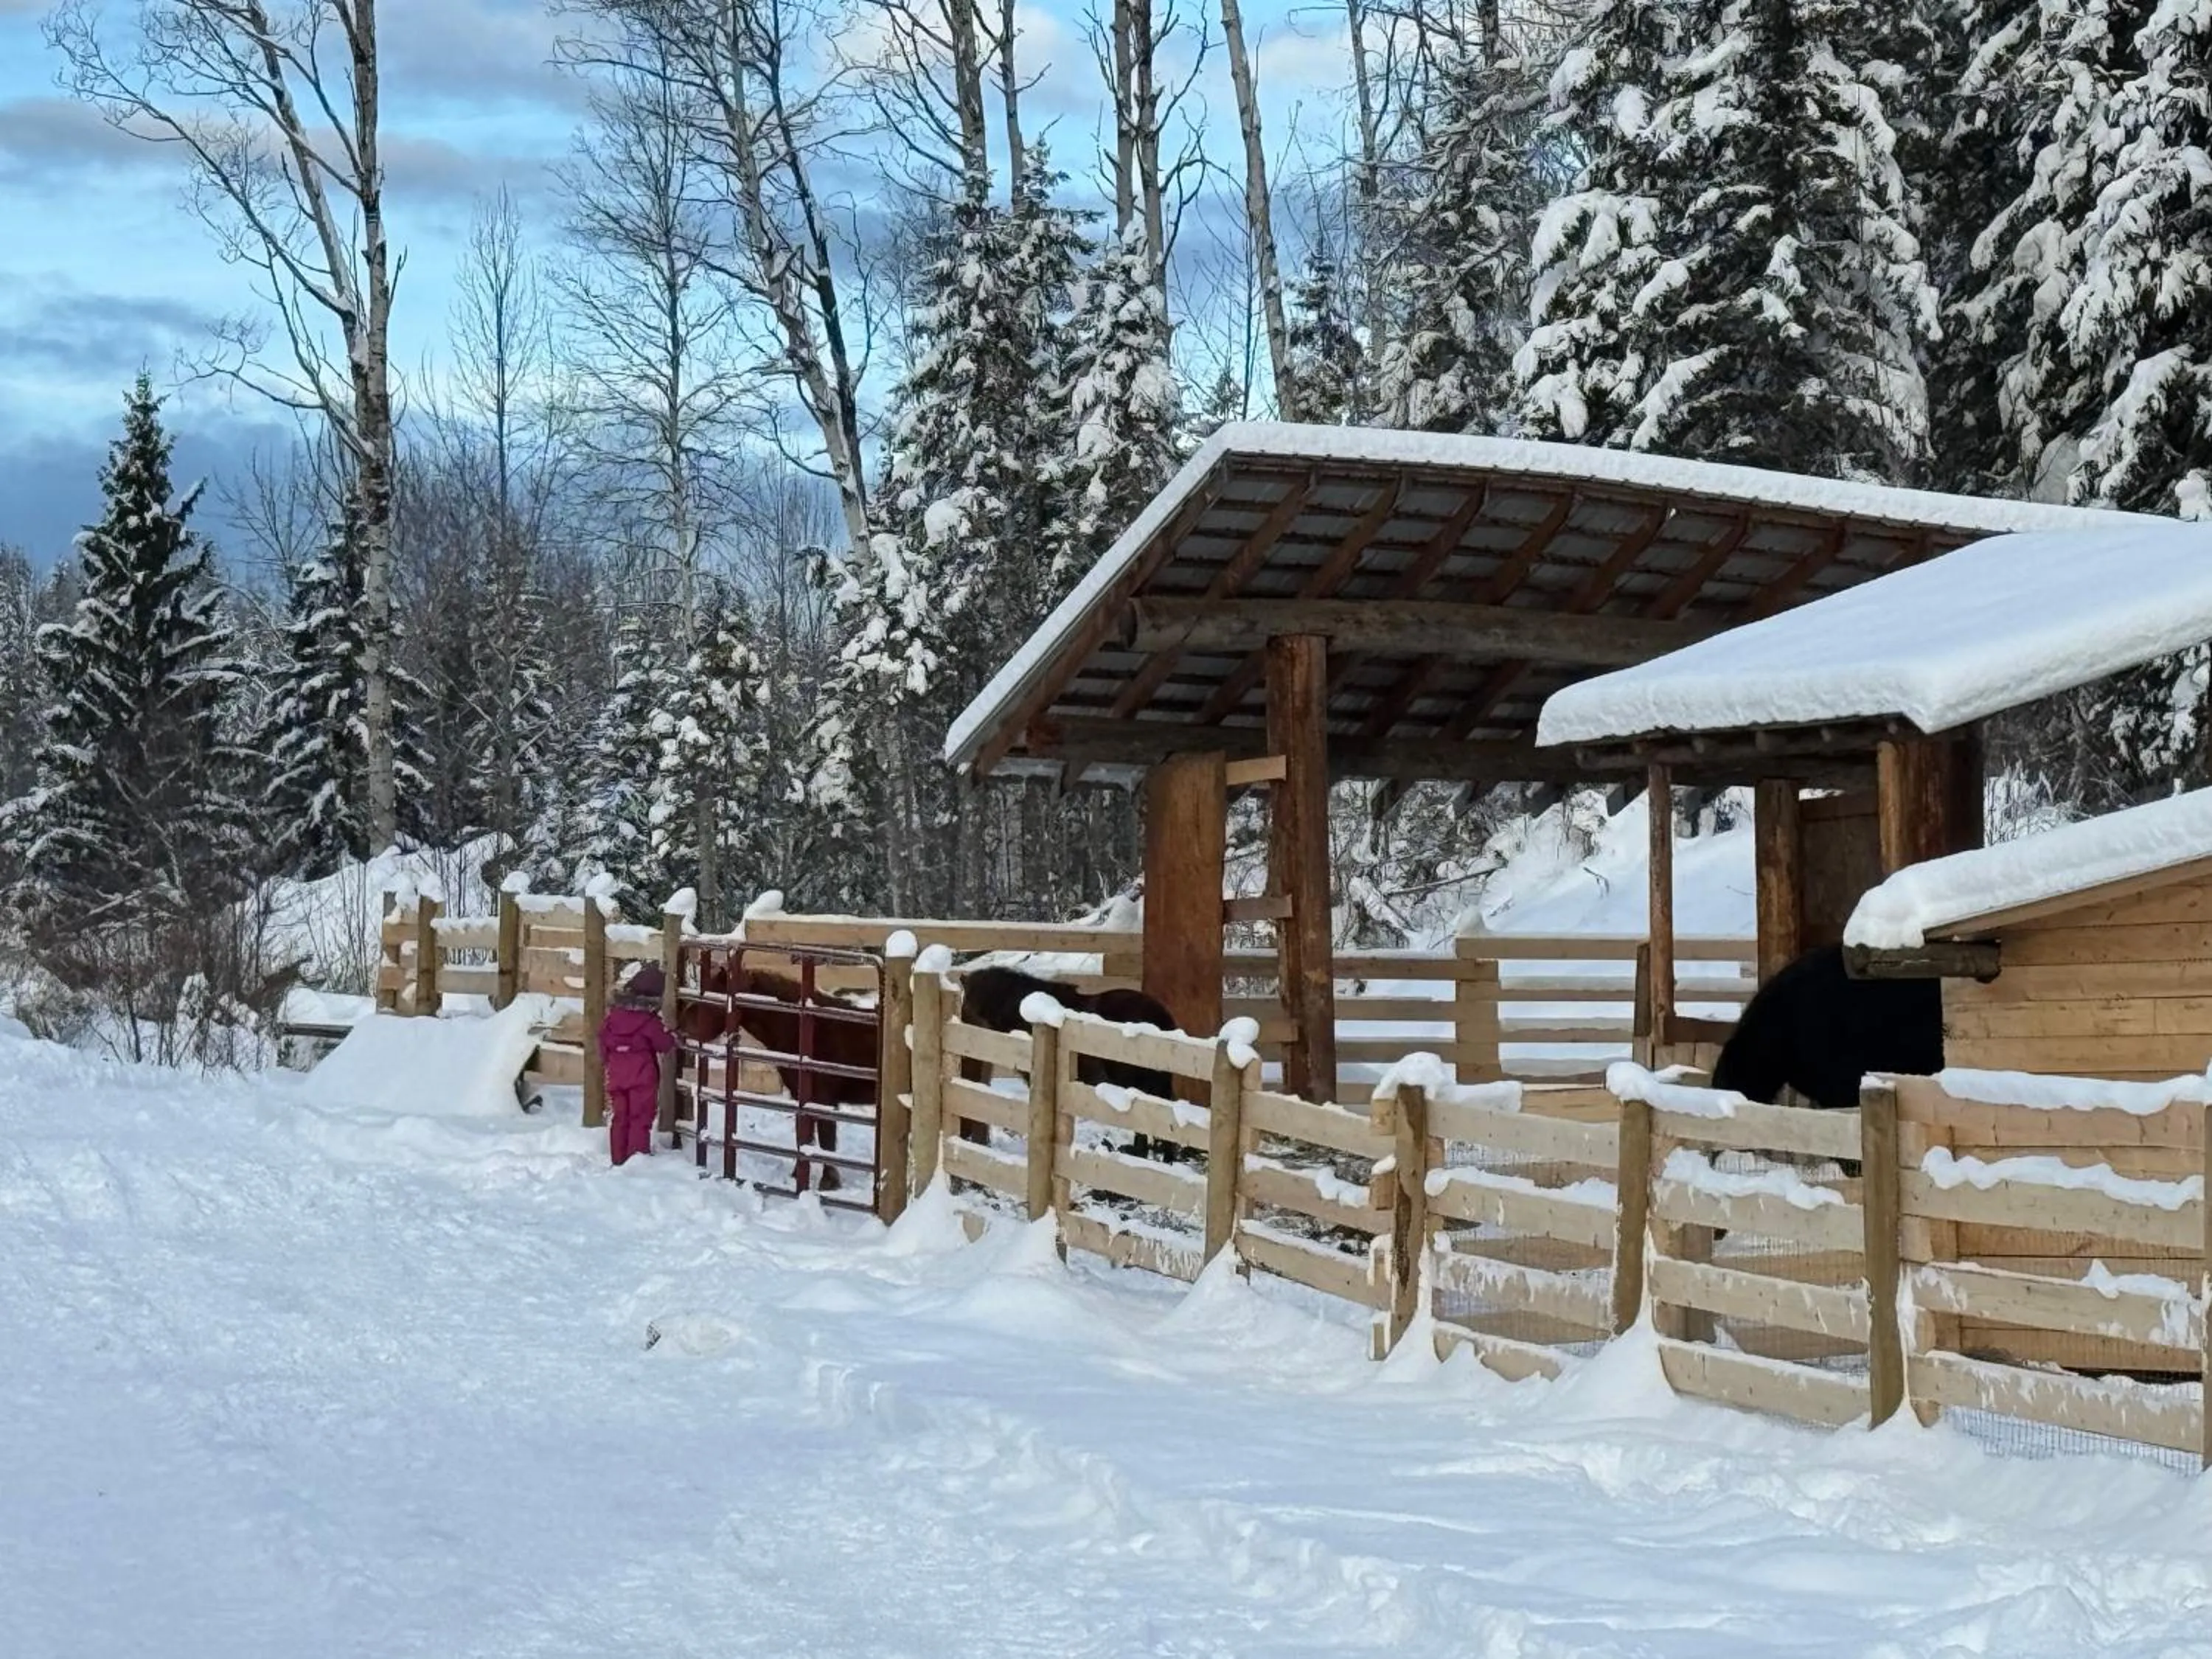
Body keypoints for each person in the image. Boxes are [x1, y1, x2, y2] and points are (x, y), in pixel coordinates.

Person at [600, 964, 675, 1166]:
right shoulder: (649, 1022)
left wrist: (610, 1062)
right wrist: (673, 1036)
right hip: (642, 1077)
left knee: (620, 1118)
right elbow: (664, 1044)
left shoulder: (613, 1017)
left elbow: (602, 1043)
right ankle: (635, 1162)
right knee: (640, 1119)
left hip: (616, 1075)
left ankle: (618, 1160)